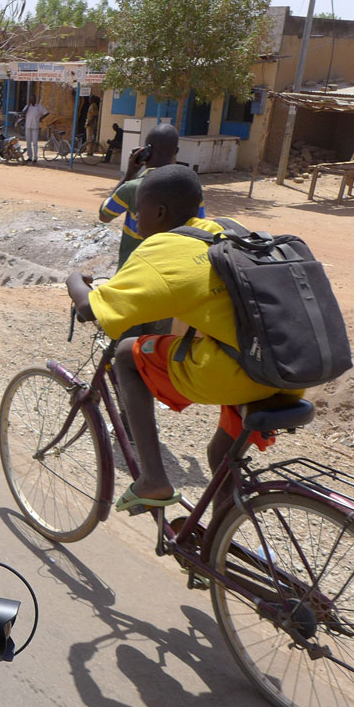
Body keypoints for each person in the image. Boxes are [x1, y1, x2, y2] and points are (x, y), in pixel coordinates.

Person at [66, 165, 301, 519]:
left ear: (158, 212)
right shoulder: (226, 230)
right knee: (220, 453)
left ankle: (153, 479)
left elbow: (90, 310)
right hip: (288, 366)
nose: (136, 216)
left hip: (236, 372)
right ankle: (220, 554)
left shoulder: (161, 247)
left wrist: (73, 279)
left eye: (138, 209)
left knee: (129, 353)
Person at [97, 122, 203, 337]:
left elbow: (104, 214)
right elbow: (200, 230)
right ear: (176, 152)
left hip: (132, 286)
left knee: (126, 350)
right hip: (168, 288)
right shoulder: (190, 187)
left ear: (146, 151)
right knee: (153, 353)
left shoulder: (133, 188)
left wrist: (128, 174)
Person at [22, 93, 48, 164]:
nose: (32, 100)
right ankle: (30, 157)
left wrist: (41, 118)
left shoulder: (39, 106)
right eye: (31, 99)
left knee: (35, 143)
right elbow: (23, 113)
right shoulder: (27, 106)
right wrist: (28, 105)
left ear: (35, 99)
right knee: (28, 142)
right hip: (28, 126)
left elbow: (47, 113)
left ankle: (35, 158)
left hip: (35, 126)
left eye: (33, 99)